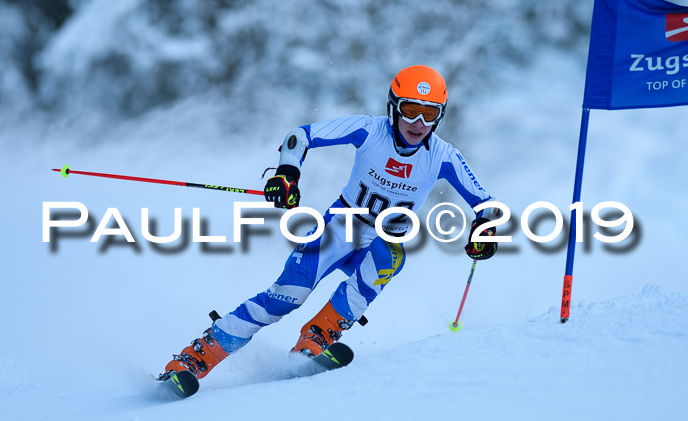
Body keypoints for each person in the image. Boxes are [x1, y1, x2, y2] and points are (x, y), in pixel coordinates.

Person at [160, 65, 498, 381]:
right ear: (394, 107)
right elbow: (300, 136)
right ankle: (193, 359)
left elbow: (487, 205)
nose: (419, 122)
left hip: (384, 239)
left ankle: (314, 341)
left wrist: (484, 230)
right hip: (341, 227)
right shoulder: (369, 129)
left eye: (430, 114)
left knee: (390, 254)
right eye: (410, 110)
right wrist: (287, 174)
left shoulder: (443, 155)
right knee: (284, 298)